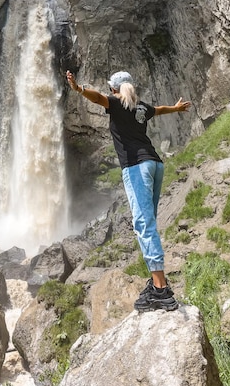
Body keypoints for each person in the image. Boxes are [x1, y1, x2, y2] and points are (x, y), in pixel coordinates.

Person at [66, 69, 191, 312]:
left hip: (136, 167)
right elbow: (160, 109)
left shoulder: (114, 102)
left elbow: (96, 98)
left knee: (144, 225)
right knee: (149, 223)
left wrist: (78, 88)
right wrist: (175, 109)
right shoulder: (141, 107)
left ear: (114, 89)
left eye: (110, 90)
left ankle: (160, 290)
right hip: (155, 164)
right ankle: (157, 282)